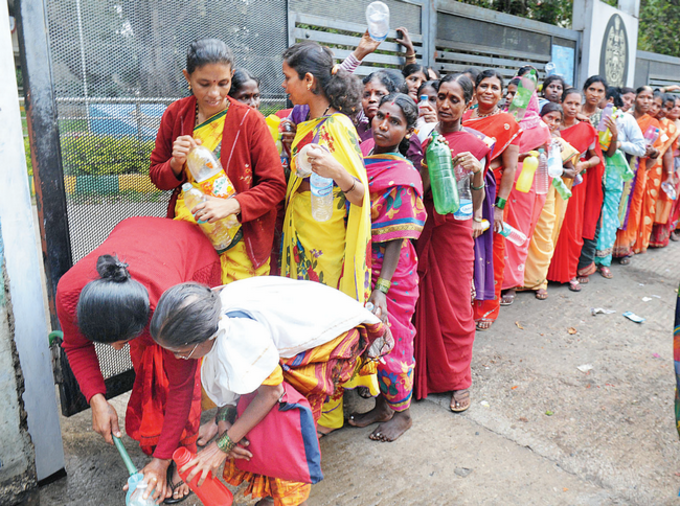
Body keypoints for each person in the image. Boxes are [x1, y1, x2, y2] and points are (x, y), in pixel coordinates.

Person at [150, 278, 389, 506]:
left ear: (202, 338)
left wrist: (221, 445)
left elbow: (272, 393)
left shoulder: (238, 336)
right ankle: (275, 493)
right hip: (300, 336)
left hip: (328, 345)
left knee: (286, 427)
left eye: (181, 351)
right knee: (253, 422)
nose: (178, 358)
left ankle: (291, 498)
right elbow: (231, 382)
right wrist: (225, 422)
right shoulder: (209, 317)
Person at [58, 217, 223, 503]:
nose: (118, 349)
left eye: (123, 340)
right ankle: (162, 441)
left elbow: (182, 388)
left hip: (192, 255)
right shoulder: (69, 295)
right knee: (148, 371)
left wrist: (160, 463)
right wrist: (96, 399)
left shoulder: (168, 308)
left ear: (145, 320)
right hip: (137, 239)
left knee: (177, 375)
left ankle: (183, 454)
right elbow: (75, 345)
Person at [279, 41, 371, 434]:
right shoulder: (307, 125)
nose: (284, 85)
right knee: (303, 328)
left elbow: (359, 194)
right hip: (301, 243)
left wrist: (336, 170)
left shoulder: (337, 127)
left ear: (309, 79)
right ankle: (308, 404)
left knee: (324, 329)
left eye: (288, 78)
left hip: (326, 249)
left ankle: (328, 414)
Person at [149, 39, 286, 285]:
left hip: (240, 239)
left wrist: (232, 205)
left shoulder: (250, 121)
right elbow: (157, 177)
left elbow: (275, 186)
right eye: (204, 84)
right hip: (189, 235)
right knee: (197, 313)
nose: (214, 94)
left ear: (232, 76)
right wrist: (175, 164)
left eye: (223, 83)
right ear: (187, 77)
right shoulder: (175, 114)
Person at [347, 94, 426, 441]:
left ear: (408, 131)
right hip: (360, 258)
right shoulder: (363, 151)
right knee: (368, 340)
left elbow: (397, 236)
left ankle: (403, 412)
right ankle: (382, 405)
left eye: (394, 122)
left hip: (390, 271)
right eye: (380, 116)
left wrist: (381, 285)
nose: (382, 125)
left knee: (393, 340)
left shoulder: (402, 173)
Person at [415, 73, 489, 412]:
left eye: (454, 99)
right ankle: (422, 376)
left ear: (468, 104)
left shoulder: (476, 144)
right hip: (422, 228)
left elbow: (476, 207)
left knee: (457, 309)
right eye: (440, 96)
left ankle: (459, 380)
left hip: (455, 234)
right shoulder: (419, 137)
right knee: (420, 305)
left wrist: (475, 173)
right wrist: (430, 155)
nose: (444, 104)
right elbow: (417, 192)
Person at [463, 69, 521, 330]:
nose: (488, 91)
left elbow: (510, 168)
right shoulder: (463, 116)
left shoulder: (507, 123)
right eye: (483, 85)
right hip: (460, 188)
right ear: (475, 89)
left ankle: (486, 309)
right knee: (463, 247)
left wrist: (500, 206)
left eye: (494, 87)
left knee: (489, 250)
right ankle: (463, 302)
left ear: (501, 93)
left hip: (489, 191)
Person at [500, 67, 552, 305]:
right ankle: (492, 281)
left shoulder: (539, 127)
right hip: (499, 182)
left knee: (517, 232)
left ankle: (510, 282)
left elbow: (545, 162)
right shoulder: (501, 119)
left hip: (523, 187)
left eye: (516, 93)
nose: (510, 98)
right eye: (508, 93)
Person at [522, 103, 578, 299]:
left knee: (544, 237)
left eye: (557, 120)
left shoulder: (560, 144)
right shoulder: (529, 137)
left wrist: (557, 169)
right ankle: (515, 281)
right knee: (521, 236)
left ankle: (539, 281)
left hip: (547, 197)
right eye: (549, 118)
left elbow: (573, 172)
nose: (553, 123)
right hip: (525, 193)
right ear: (540, 117)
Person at [546, 88, 600, 292]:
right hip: (551, 181)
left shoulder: (586, 129)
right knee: (549, 224)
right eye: (569, 103)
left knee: (572, 228)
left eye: (577, 104)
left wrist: (583, 165)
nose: (572, 107)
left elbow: (595, 156)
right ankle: (544, 273)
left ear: (581, 106)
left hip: (575, 184)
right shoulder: (551, 124)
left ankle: (569, 273)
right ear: (562, 102)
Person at [593, 88, 645, 276]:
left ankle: (603, 260)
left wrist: (618, 143)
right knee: (589, 215)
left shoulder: (625, 119)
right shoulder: (591, 116)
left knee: (608, 217)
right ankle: (586, 260)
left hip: (613, 174)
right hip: (592, 170)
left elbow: (641, 148)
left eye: (600, 95)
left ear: (610, 100)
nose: (594, 98)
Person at [613, 86, 662, 264]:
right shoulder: (624, 116)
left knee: (632, 205)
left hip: (636, 168)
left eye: (650, 98)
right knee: (614, 202)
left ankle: (624, 248)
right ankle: (608, 246)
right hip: (617, 163)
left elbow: (655, 154)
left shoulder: (654, 123)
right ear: (635, 100)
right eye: (642, 97)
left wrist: (652, 154)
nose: (647, 101)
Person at [575, 76, 611, 284]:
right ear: (584, 90)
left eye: (599, 91)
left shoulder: (606, 117)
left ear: (604, 94)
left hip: (596, 174)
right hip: (572, 172)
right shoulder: (572, 109)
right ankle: (567, 263)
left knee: (591, 219)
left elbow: (608, 150)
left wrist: (613, 135)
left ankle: (585, 264)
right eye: (591, 89)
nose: (595, 94)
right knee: (573, 218)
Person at [643, 94, 679, 250]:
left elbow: (669, 152)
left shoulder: (670, 127)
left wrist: (670, 175)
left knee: (653, 204)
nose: (663, 110)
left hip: (659, 171)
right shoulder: (646, 121)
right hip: (641, 166)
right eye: (660, 106)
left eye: (668, 108)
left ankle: (648, 240)